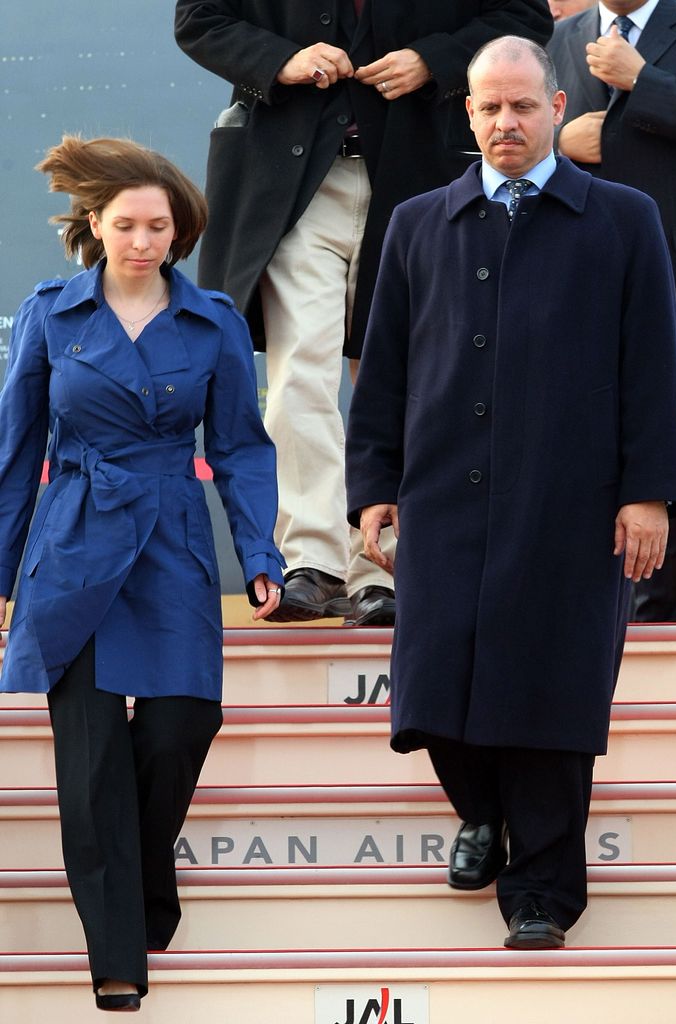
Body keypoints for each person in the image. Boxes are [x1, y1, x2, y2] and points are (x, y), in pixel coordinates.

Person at [345, 37, 676, 948]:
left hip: (573, 503)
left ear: (557, 104)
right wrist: (373, 485)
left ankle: (540, 891)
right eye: (489, 107)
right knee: (429, 689)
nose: (506, 122)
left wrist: (651, 492)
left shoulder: (623, 218)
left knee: (550, 692)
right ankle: (483, 816)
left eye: (523, 106)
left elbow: (652, 364)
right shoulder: (420, 222)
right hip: (443, 498)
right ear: (467, 113)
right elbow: (383, 371)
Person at [0, 135, 285, 1011]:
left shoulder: (214, 322)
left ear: (177, 231)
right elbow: (16, 454)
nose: (142, 240)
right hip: (74, 541)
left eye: (157, 225)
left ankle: (143, 877)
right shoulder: (52, 314)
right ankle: (118, 958)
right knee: (88, 768)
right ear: (96, 224)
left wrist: (262, 554)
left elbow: (239, 448)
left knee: (181, 727)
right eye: (125, 224)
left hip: (171, 540)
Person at [174, 0, 554, 626]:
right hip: (292, 181)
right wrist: (284, 60)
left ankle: (388, 566)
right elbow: (199, 19)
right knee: (301, 369)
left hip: (419, 175)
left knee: (408, 378)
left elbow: (523, 16)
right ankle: (312, 561)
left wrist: (433, 61)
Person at [548, 0, 676, 621]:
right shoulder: (559, 39)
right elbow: (517, 139)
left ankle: (671, 612)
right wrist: (559, 140)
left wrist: (644, 82)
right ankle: (591, 606)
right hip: (578, 281)